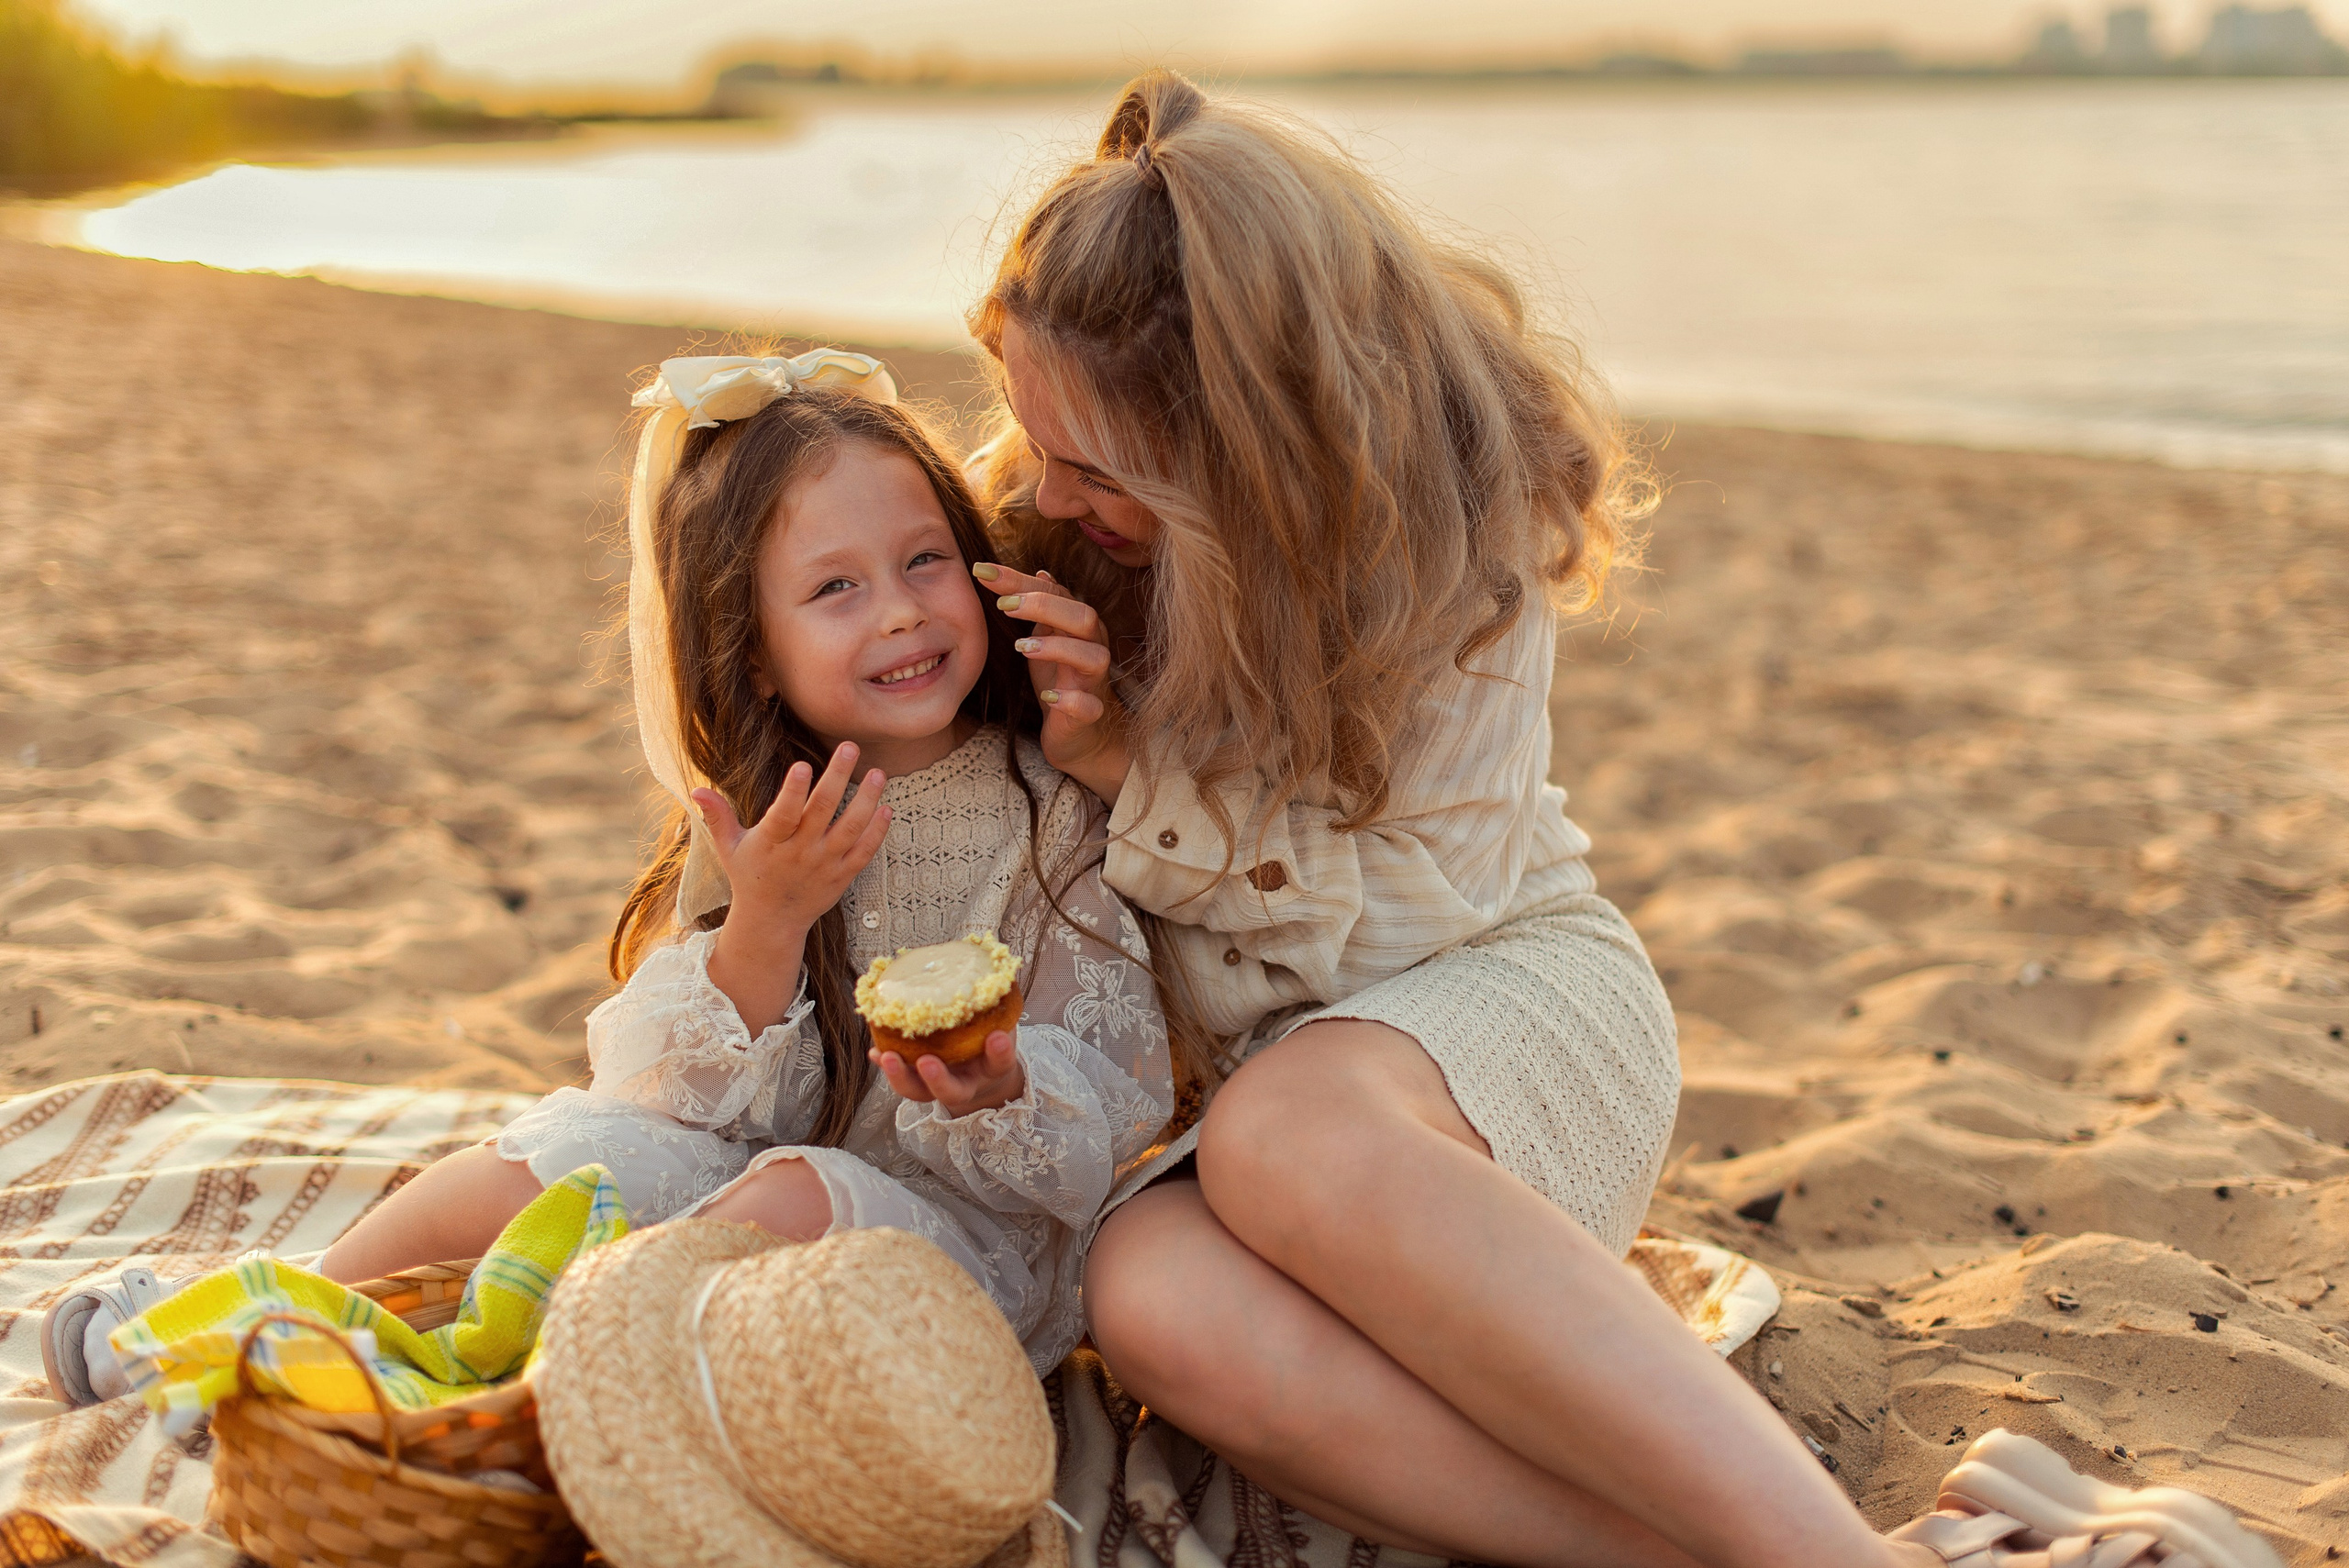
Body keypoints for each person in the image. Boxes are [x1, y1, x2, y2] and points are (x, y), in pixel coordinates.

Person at [962, 71, 2277, 1568]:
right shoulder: (1056, 520)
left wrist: (1138, 768)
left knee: (1285, 1131)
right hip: (1253, 1115)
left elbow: (1421, 908)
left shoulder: (1454, 535)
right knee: (1143, 1284)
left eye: (1097, 463)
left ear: (1242, 439)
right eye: (1030, 431)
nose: (1044, 488)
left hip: (1495, 1017)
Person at [42, 352, 1174, 1405]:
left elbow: (1106, 1111)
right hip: (753, 1177)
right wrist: (769, 919)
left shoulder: (1049, 813)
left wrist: (998, 1088)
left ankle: (543, 1389)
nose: (899, 608)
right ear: (752, 647)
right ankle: (288, 1305)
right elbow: (681, 1097)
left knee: (789, 1192)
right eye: (834, 587)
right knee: (573, 1151)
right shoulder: (761, 821)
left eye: (925, 557)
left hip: (961, 1247)